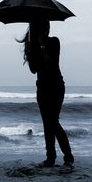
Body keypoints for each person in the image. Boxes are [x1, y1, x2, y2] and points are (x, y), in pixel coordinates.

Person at [18, 21, 74, 173]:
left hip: (56, 86)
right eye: (45, 26)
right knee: (47, 124)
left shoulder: (54, 42)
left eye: (48, 26)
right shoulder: (32, 47)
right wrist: (30, 51)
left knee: (53, 122)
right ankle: (50, 158)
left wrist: (42, 45)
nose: (48, 29)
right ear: (38, 29)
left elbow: (51, 61)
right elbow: (33, 70)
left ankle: (68, 158)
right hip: (42, 88)